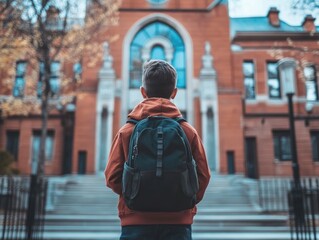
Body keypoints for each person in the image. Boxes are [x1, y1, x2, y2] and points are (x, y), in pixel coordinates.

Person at [105, 59, 211, 240]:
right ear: (175, 93)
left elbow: (112, 177)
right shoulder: (188, 131)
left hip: (135, 223)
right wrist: (186, 200)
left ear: (143, 92)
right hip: (178, 224)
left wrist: (134, 194)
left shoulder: (127, 131)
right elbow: (204, 175)